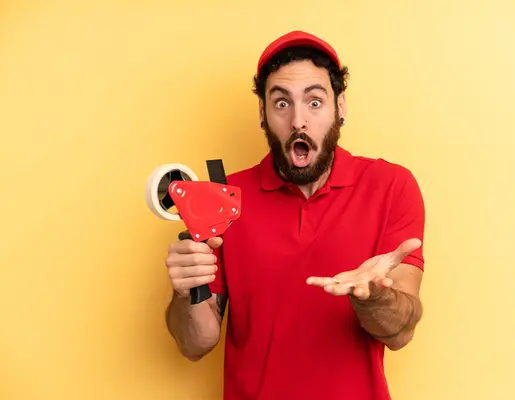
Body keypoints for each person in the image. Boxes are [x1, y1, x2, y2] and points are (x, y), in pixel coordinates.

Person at [163, 30, 426, 400]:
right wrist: (185, 291)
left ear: (341, 107)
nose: (298, 121)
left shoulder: (391, 187)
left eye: (315, 102)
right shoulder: (222, 198)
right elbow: (195, 344)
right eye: (282, 103)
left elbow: (400, 333)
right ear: (263, 113)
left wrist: (371, 298)